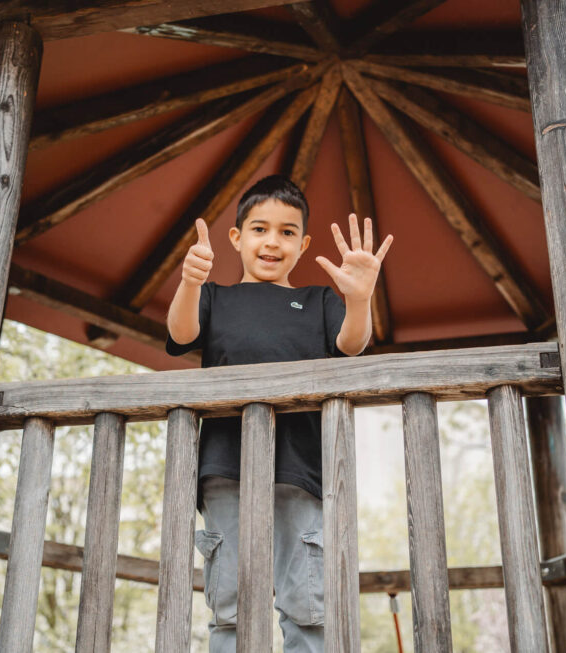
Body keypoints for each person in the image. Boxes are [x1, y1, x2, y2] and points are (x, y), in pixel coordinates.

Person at [165, 175, 392, 652]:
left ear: (304, 244)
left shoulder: (319, 301)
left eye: (287, 232)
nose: (272, 241)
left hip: (300, 469)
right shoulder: (216, 299)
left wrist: (359, 297)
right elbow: (182, 334)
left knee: (307, 604)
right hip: (225, 467)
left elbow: (351, 345)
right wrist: (190, 282)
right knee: (228, 606)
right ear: (237, 238)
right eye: (259, 229)